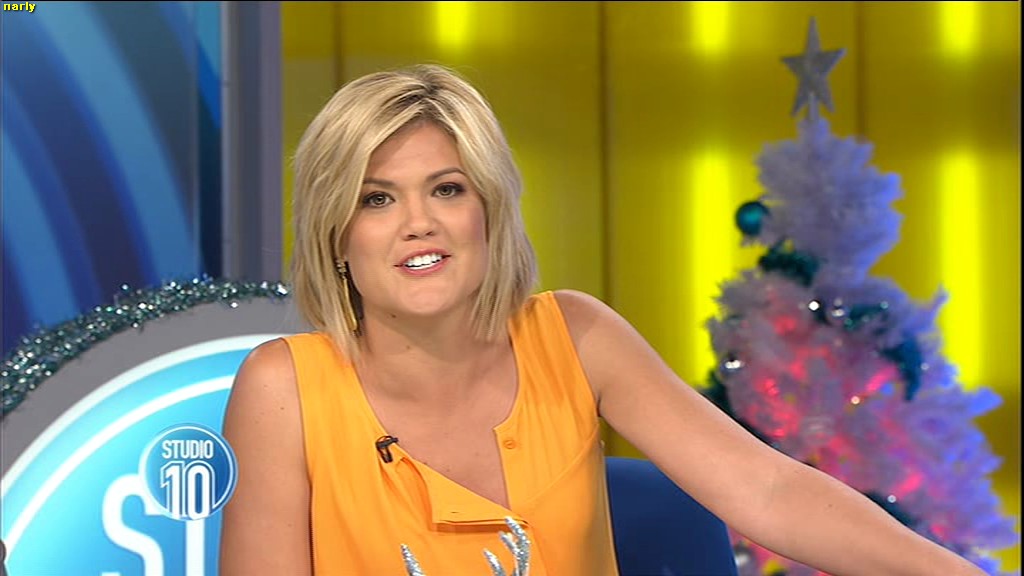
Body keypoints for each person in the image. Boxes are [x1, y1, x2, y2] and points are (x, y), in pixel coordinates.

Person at [219, 64, 987, 576]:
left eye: (447, 189)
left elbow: (768, 492)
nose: (418, 222)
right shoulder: (283, 388)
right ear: (337, 234)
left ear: (488, 209)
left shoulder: (576, 336)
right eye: (377, 199)